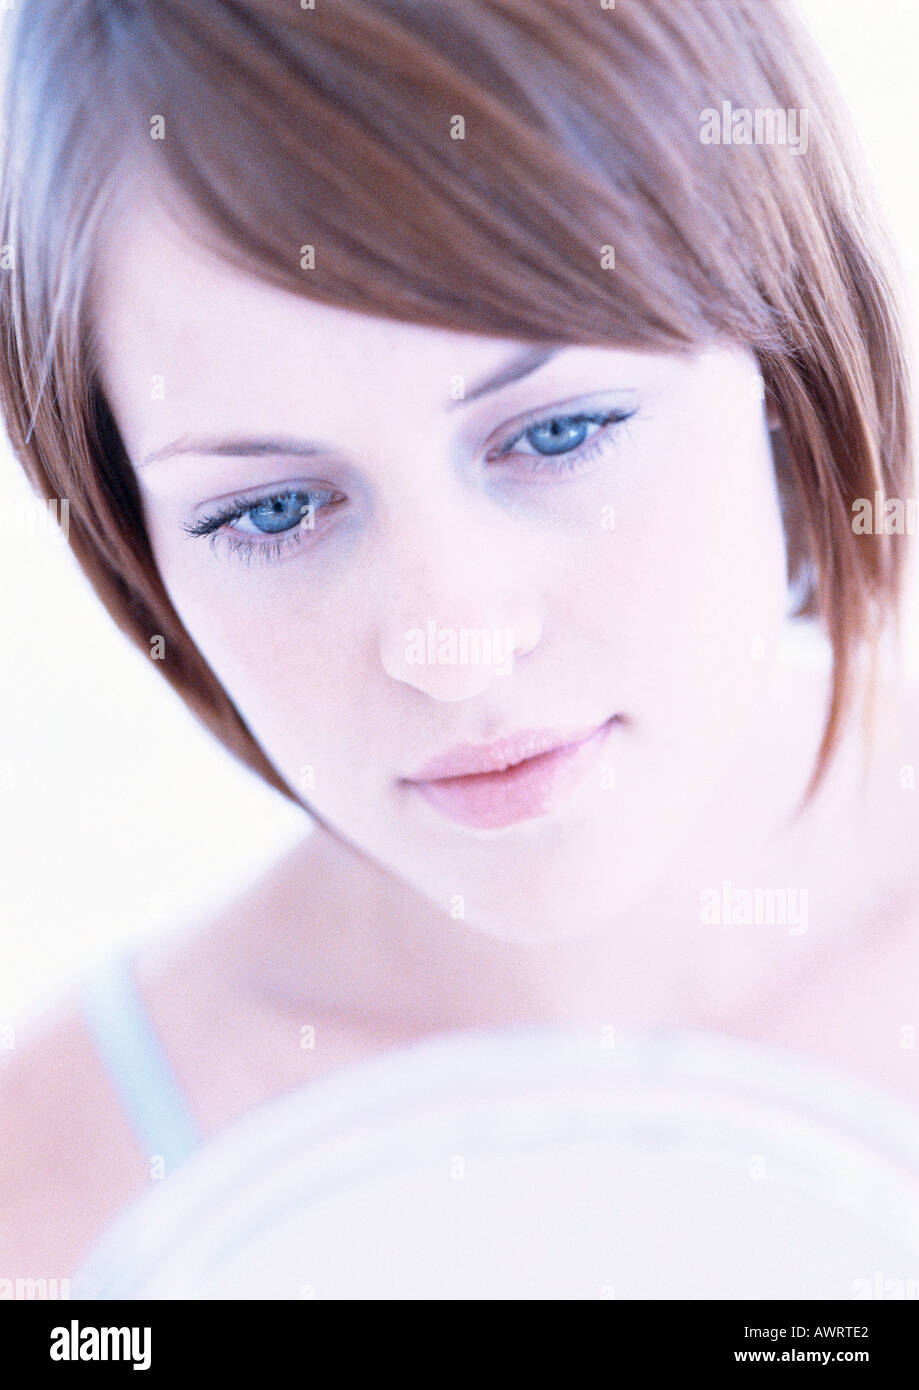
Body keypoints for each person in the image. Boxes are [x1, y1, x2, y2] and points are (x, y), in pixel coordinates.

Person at [0, 0, 917, 1295]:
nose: (457, 647)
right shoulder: (63, 1200)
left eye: (559, 433)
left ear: (785, 363)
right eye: (270, 509)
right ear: (134, 542)